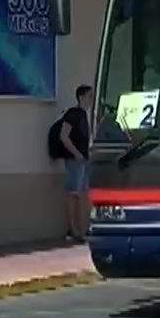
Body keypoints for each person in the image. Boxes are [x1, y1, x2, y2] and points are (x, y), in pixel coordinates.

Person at [55, 85, 94, 242]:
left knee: (82, 194)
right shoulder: (73, 114)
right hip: (74, 160)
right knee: (73, 194)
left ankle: (81, 228)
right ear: (81, 97)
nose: (91, 100)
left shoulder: (84, 115)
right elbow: (64, 136)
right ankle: (73, 230)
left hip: (84, 159)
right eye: (90, 96)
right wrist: (76, 154)